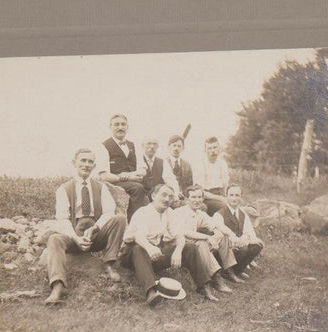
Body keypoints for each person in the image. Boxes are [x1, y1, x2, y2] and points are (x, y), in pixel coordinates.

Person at [41, 148, 126, 306]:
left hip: (95, 234)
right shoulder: (64, 189)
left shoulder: (101, 187)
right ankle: (58, 286)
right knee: (54, 239)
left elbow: (109, 212)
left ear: (94, 166)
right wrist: (76, 238)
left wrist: (95, 228)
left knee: (119, 219)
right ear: (74, 163)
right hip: (74, 234)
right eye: (83, 160)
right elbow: (62, 218)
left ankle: (109, 264)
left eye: (90, 162)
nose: (87, 164)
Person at [124, 183, 223, 304]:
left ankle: (203, 287)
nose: (167, 199)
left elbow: (179, 234)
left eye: (170, 197)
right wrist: (149, 248)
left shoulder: (169, 212)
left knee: (190, 247)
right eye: (164, 195)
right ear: (153, 196)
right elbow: (138, 236)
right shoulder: (143, 212)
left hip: (153, 254)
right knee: (138, 249)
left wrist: (178, 250)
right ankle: (151, 292)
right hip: (131, 255)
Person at [171, 185, 238, 295]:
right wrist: (208, 237)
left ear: (202, 199)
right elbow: (184, 232)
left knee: (223, 236)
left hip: (193, 244)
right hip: (181, 248)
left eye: (199, 197)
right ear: (187, 199)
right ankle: (215, 278)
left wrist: (220, 233)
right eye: (193, 197)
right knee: (202, 243)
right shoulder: (179, 212)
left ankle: (229, 270)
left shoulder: (199, 213)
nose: (197, 200)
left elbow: (215, 224)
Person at [214, 185, 264, 282]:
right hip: (225, 249)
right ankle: (227, 271)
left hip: (239, 244)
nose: (234, 198)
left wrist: (248, 240)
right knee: (243, 249)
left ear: (241, 197)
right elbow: (219, 234)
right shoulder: (219, 214)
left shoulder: (243, 213)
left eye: (237, 195)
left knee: (257, 245)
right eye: (231, 195)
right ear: (226, 196)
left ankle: (238, 270)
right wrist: (235, 240)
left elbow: (249, 232)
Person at [96, 114, 145, 208]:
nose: (120, 127)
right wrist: (126, 178)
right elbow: (104, 176)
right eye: (116, 124)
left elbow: (142, 171)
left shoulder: (134, 145)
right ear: (110, 127)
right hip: (114, 184)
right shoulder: (103, 146)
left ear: (127, 127)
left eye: (123, 124)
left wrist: (129, 175)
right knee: (138, 188)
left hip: (135, 182)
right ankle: (133, 221)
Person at [196, 136, 231, 217]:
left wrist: (228, 197)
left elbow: (226, 185)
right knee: (226, 207)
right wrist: (221, 199)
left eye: (215, 147)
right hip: (207, 197)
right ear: (205, 150)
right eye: (209, 148)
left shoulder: (222, 163)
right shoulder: (201, 164)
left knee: (239, 206)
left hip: (221, 194)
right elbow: (200, 192)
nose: (212, 151)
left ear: (219, 148)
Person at [163, 134, 193, 199]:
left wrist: (185, 195)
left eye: (179, 146)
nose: (176, 148)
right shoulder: (162, 163)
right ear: (168, 147)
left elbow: (190, 185)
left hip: (184, 197)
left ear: (183, 148)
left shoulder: (187, 165)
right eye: (174, 145)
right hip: (168, 196)